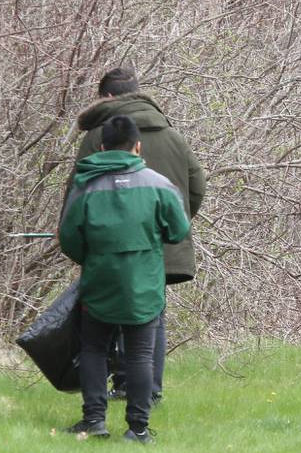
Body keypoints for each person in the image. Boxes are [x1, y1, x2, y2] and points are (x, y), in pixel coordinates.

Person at [68, 67, 206, 403]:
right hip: (160, 248)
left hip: (107, 249)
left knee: (102, 324)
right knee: (151, 319)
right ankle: (147, 396)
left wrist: (84, 243)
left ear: (110, 98)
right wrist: (168, 224)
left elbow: (76, 193)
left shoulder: (97, 136)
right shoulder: (172, 135)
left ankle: (108, 400)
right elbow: (198, 185)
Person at [60, 115, 190, 442]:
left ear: (102, 147)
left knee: (93, 349)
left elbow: (69, 236)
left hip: (99, 283)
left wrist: (92, 259)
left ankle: (94, 421)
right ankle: (138, 428)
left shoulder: (85, 185)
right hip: (144, 284)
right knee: (140, 355)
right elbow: (179, 231)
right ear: (138, 147)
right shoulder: (159, 185)